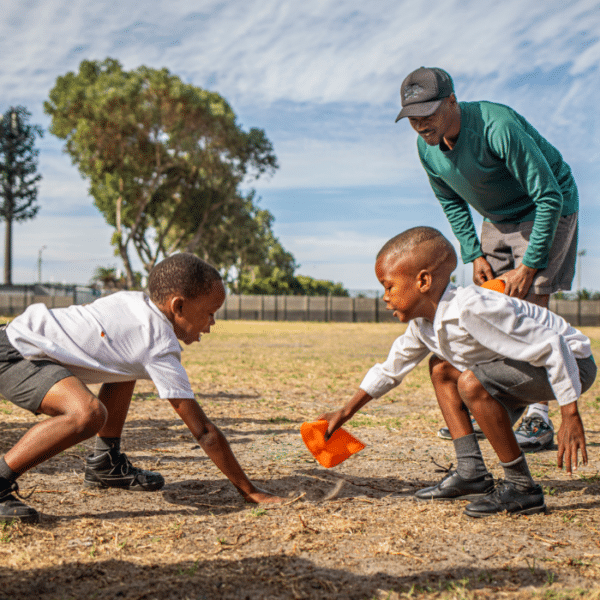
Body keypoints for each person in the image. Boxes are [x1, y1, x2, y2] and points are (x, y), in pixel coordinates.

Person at [318, 227, 596, 517]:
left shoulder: (471, 308)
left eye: (389, 286)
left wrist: (569, 415)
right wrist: (345, 412)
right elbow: (391, 369)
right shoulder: (424, 325)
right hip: (532, 366)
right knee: (440, 368)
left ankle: (522, 488)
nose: (385, 297)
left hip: (573, 364)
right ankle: (471, 471)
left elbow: (554, 345)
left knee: (471, 383)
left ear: (423, 281)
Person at [0, 253, 285, 523]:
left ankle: (105, 462)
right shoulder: (157, 343)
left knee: (125, 365)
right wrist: (250, 490)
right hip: (14, 355)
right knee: (88, 414)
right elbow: (204, 431)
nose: (212, 323)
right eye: (210, 313)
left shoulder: (135, 304)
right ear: (178, 306)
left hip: (16, 342)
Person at [395, 67, 581, 451]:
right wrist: (473, 251)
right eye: (412, 117)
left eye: (428, 112)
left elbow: (549, 195)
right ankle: (498, 408)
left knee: (530, 304)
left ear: (451, 101)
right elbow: (449, 198)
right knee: (489, 306)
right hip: (496, 217)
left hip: (546, 207)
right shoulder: (426, 147)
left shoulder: (498, 126)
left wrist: (529, 265)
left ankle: (538, 418)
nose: (420, 124)